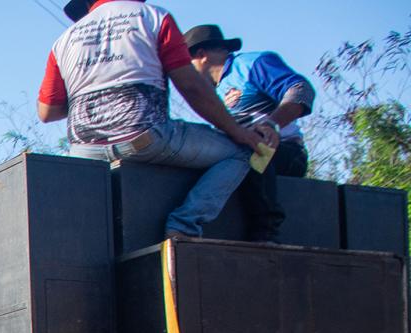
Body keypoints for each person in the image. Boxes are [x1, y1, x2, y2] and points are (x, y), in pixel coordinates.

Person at [38, 0, 276, 241]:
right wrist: (238, 131)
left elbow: (47, 112)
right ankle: (184, 225)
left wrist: (94, 93)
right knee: (243, 151)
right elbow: (191, 87)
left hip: (85, 150)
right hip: (143, 137)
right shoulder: (152, 17)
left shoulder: (64, 40)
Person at [186, 24, 314, 178]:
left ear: (201, 55)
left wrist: (271, 125)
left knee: (244, 160)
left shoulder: (251, 65)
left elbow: (301, 89)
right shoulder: (215, 92)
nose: (184, 72)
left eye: (187, 64)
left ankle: (265, 203)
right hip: (244, 155)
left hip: (283, 152)